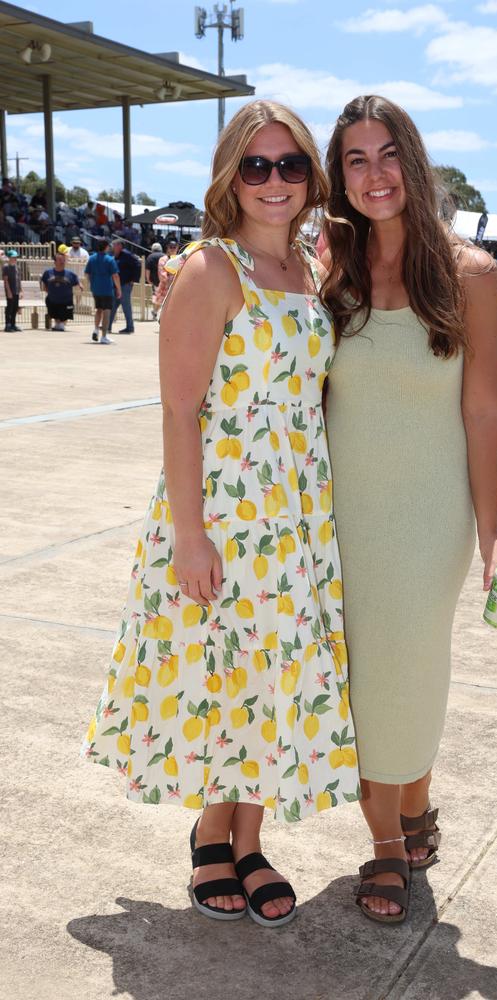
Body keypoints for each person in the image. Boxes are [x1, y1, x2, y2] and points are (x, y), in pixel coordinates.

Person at [81, 99, 359, 928]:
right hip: (226, 511)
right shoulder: (211, 270)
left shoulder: (316, 267)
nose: (275, 182)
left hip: (299, 515)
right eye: (256, 166)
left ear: (312, 175)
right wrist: (191, 531)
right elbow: (177, 411)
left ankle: (251, 837)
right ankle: (214, 838)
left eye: (292, 165)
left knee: (271, 679)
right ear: (230, 177)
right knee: (222, 673)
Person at [320, 94, 497, 924]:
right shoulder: (327, 269)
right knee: (363, 681)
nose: (374, 175)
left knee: (400, 674)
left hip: (427, 518)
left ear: (414, 160)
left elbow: (484, 410)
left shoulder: (470, 274)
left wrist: (493, 533)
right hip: (335, 515)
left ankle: (384, 848)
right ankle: (407, 812)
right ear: (340, 176)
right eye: (355, 159)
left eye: (387, 155)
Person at [84, 238, 121, 344]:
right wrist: (118, 289)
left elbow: (87, 274)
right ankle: (104, 336)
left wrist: (91, 283)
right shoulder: (110, 259)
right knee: (106, 312)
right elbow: (115, 276)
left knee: (98, 309)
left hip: (96, 288)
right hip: (107, 289)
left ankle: (96, 329)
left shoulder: (91, 258)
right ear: (106, 247)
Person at [40, 251, 80, 331]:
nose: (62, 262)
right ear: (55, 262)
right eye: (60, 260)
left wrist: (80, 285)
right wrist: (49, 292)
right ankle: (58, 324)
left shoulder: (70, 273)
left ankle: (61, 324)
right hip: (53, 299)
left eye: (63, 260)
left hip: (66, 300)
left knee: (66, 313)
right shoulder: (48, 272)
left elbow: (77, 280)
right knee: (54, 312)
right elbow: (44, 284)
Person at [109, 239, 141, 333]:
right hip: (117, 285)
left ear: (120, 246)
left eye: (114, 245)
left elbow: (138, 265)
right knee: (113, 306)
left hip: (125, 284)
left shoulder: (127, 255)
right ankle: (108, 326)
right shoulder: (115, 256)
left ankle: (130, 327)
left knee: (126, 306)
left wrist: (133, 279)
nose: (113, 247)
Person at [152, 238, 178, 317]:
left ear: (177, 248)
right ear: (167, 248)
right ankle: (155, 312)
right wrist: (168, 281)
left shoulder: (180, 259)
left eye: (174, 247)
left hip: (177, 286)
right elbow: (162, 274)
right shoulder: (163, 259)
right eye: (171, 247)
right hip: (165, 287)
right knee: (161, 306)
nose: (173, 249)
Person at [2, 248, 22, 331]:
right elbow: (6, 280)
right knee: (9, 308)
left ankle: (13, 324)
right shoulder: (6, 267)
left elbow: (18, 280)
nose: (15, 259)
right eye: (13, 257)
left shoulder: (17, 267)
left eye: (16, 257)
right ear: (9, 258)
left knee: (15, 308)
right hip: (10, 291)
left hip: (16, 291)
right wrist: (9, 291)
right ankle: (8, 325)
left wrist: (21, 291)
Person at [145, 241, 164, 320]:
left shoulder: (150, 257)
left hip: (154, 281)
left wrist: (148, 279)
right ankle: (155, 312)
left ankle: (155, 311)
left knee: (156, 296)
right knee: (161, 297)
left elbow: (147, 270)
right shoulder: (164, 256)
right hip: (163, 280)